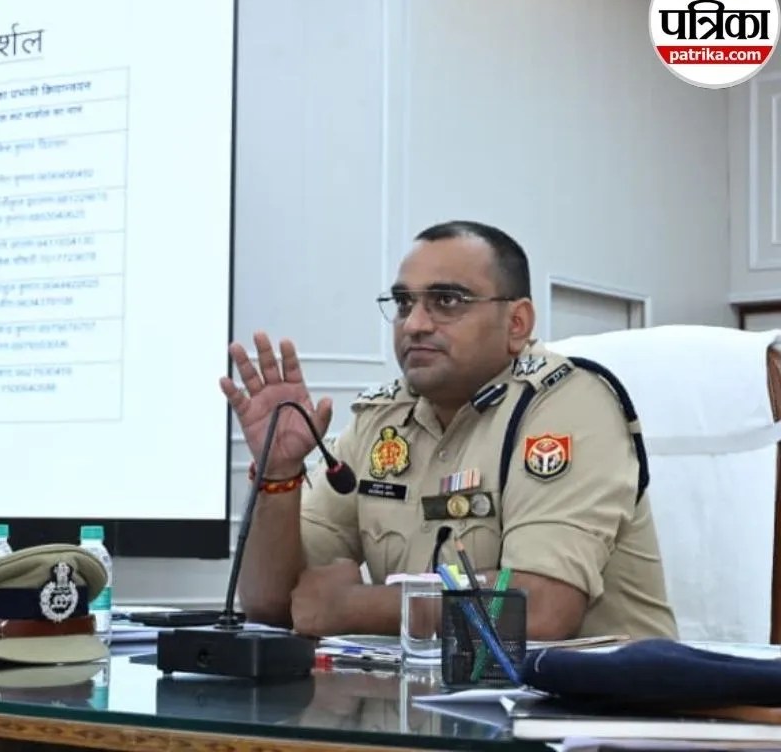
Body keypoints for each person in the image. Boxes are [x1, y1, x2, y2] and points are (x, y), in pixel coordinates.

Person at [221, 221, 678, 641]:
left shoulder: (568, 406)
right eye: (404, 303)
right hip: (427, 696)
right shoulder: (381, 421)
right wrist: (278, 475)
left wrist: (355, 607)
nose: (415, 324)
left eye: (447, 301)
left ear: (517, 323)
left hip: (599, 701)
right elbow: (273, 604)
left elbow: (541, 611)